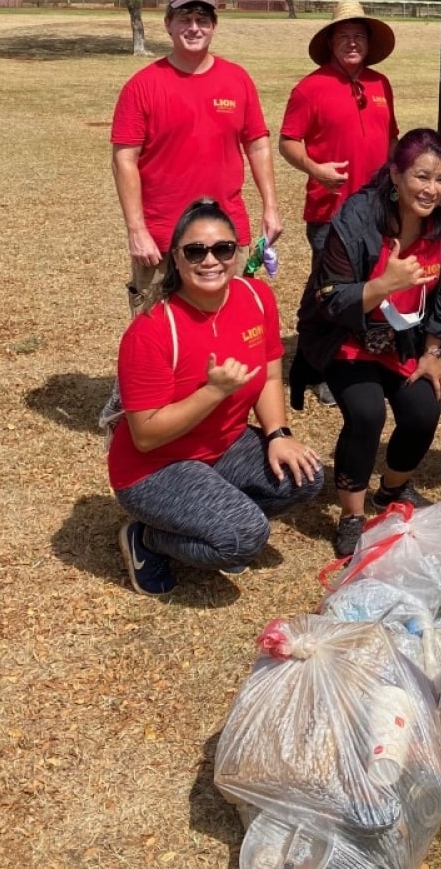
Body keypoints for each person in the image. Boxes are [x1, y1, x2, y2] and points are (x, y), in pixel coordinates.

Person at [109, 199, 323, 596]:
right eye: (195, 251)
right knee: (243, 537)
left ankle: (209, 511)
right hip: (155, 467)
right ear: (176, 257)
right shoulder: (152, 330)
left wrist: (278, 435)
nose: (210, 260)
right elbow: (146, 435)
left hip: (223, 446)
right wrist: (214, 392)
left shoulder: (256, 297)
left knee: (306, 476)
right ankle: (146, 539)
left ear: (238, 252)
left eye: (222, 249)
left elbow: (271, 373)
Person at [294, 130, 441, 557]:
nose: (431, 189)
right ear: (395, 174)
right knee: (366, 412)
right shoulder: (356, 217)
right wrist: (382, 285)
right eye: (421, 176)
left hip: (405, 340)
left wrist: (432, 352)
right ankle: (353, 516)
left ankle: (392, 491)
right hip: (347, 337)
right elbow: (330, 298)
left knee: (423, 410)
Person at [111, 0, 282, 315]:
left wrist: (270, 207)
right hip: (162, 237)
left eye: (202, 19)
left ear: (214, 26)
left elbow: (258, 145)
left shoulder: (238, 79)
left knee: (229, 325)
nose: (193, 27)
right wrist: (137, 230)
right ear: (168, 24)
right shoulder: (142, 86)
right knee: (157, 331)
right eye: (184, 19)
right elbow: (124, 160)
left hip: (226, 232)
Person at [280, 1, 398, 260]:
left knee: (374, 284)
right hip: (331, 211)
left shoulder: (380, 83)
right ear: (331, 43)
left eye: (359, 36)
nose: (352, 43)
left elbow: (391, 138)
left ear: (368, 43)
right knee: (330, 292)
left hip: (377, 207)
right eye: (343, 36)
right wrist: (314, 169)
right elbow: (288, 141)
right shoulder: (309, 88)